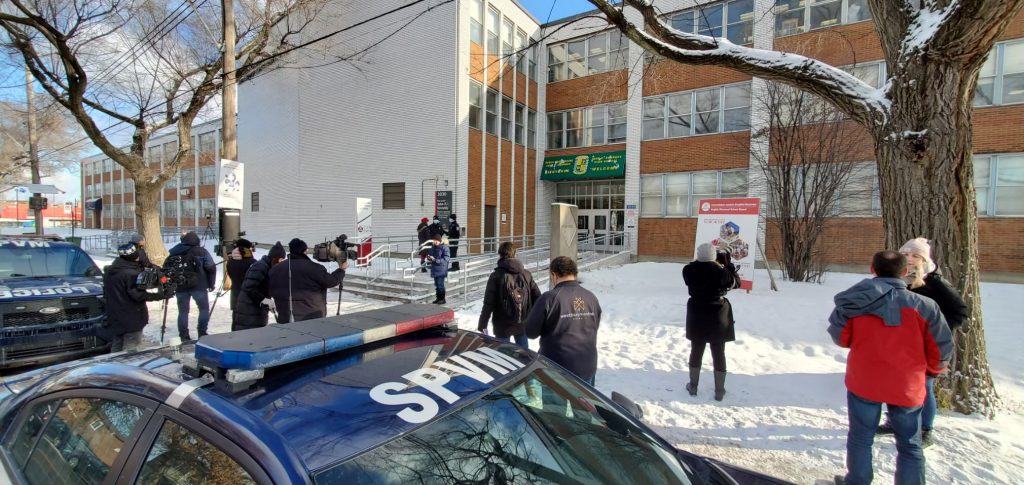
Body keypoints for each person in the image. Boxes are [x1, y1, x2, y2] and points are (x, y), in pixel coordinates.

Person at [828, 250, 954, 485]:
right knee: (910, 444)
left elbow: (841, 337)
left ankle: (857, 480)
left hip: (865, 381)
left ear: (872, 269)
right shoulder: (925, 306)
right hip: (907, 384)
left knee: (860, 437)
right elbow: (941, 347)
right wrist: (933, 371)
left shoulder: (854, 301)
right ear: (905, 272)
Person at [877, 237, 969, 447]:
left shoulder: (934, 281)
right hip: (898, 346)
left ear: (924, 260)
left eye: (916, 256)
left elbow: (959, 312)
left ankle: (926, 429)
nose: (910, 259)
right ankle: (893, 421)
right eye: (906, 254)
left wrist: (935, 332)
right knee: (895, 384)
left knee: (924, 387)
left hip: (924, 349)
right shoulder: (896, 278)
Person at [524, 256, 602, 385]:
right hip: (587, 365)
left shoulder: (549, 298)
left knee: (554, 406)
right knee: (583, 405)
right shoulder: (591, 297)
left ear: (554, 275)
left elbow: (531, 332)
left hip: (557, 369)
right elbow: (595, 326)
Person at [683, 243, 741, 401]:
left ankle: (693, 386)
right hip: (718, 315)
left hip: (697, 314)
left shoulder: (688, 270)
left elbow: (696, 271)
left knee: (696, 350)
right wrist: (727, 265)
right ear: (713, 256)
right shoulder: (721, 273)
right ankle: (719, 391)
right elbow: (736, 283)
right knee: (718, 352)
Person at [101, 243, 172, 351]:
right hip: (131, 317)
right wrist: (159, 295)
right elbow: (138, 295)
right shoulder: (131, 274)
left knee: (117, 344)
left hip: (115, 316)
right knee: (130, 348)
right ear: (133, 257)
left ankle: (114, 365)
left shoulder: (110, 271)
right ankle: (128, 367)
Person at [478, 242, 541, 349]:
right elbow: (538, 298)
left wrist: (482, 325)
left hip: (502, 325)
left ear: (500, 255)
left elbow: (488, 304)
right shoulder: (526, 274)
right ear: (515, 254)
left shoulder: (496, 276)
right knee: (524, 356)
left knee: (503, 359)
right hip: (522, 322)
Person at [268, 238, 347, 322]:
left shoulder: (275, 269)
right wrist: (341, 270)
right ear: (304, 251)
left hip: (285, 317)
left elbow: (270, 290)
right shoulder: (314, 268)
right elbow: (331, 281)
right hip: (312, 317)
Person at [167, 231, 216, 341]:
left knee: (183, 311)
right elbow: (211, 267)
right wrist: (211, 283)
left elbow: (167, 268)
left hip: (180, 285)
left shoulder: (174, 251)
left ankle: (183, 336)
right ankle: (202, 333)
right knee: (203, 309)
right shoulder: (201, 251)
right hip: (199, 285)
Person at [233, 242, 286, 331]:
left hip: (256, 312)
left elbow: (263, 288)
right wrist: (263, 300)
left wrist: (268, 301)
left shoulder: (267, 267)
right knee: (250, 338)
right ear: (276, 258)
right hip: (249, 311)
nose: (281, 263)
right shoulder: (260, 266)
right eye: (281, 260)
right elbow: (249, 288)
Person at [226, 238, 257, 329]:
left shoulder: (230, 262)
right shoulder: (252, 262)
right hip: (249, 296)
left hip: (235, 294)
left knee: (236, 319)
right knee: (249, 321)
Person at [425, 232, 450, 304]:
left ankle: (442, 299)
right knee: (436, 285)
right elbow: (430, 255)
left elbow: (446, 259)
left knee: (440, 284)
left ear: (440, 240)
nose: (435, 242)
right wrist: (429, 258)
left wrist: (436, 260)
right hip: (435, 269)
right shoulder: (433, 247)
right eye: (434, 240)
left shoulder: (444, 247)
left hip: (441, 269)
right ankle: (438, 298)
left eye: (437, 240)